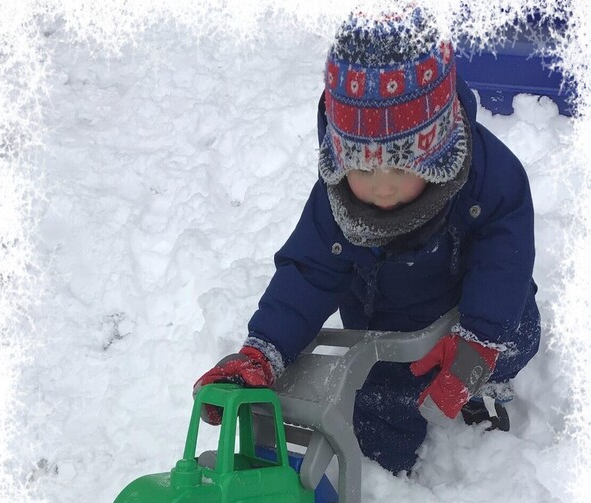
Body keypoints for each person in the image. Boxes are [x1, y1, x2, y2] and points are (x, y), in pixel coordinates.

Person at [193, 10, 541, 474]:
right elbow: (308, 272)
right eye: (361, 168)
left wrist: (481, 336)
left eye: (400, 167)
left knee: (518, 331)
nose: (381, 188)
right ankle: (386, 483)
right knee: (379, 408)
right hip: (389, 330)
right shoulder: (338, 205)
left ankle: (486, 384)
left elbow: (506, 255)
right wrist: (263, 351)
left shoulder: (486, 178)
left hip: (468, 313)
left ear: (436, 153)